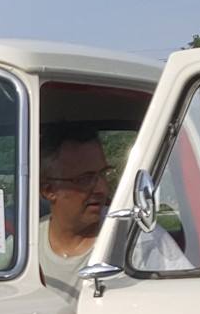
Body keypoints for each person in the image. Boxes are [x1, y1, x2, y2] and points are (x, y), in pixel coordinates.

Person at [36, 126, 191, 297]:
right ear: (48, 190)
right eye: (84, 179)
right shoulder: (25, 248)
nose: (102, 189)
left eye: (103, 174)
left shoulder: (136, 236)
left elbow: (184, 295)